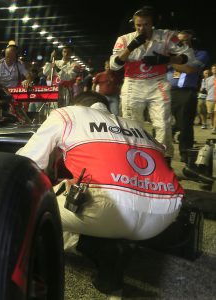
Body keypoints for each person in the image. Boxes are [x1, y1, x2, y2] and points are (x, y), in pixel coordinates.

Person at [16, 91, 183, 294]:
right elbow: (159, 152)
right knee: (74, 195)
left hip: (108, 211)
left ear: (78, 105)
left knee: (30, 205)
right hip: (165, 213)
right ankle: (112, 243)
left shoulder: (67, 114)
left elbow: (26, 163)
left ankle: (100, 249)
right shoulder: (135, 125)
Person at [110, 6, 195, 162]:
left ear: (153, 23)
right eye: (139, 25)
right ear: (134, 25)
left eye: (146, 24)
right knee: (132, 124)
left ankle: (164, 159)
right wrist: (131, 46)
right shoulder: (124, 39)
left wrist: (167, 59)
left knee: (163, 122)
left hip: (158, 83)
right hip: (132, 83)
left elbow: (188, 57)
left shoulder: (167, 36)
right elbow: (114, 65)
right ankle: (134, 159)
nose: (142, 28)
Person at [167, 29, 209, 162]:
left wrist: (167, 60)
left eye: (184, 40)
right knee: (162, 124)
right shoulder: (171, 54)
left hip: (186, 92)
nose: (181, 44)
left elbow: (190, 69)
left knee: (185, 125)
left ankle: (186, 154)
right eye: (178, 41)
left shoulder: (201, 54)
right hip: (167, 91)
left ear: (192, 41)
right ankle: (162, 154)